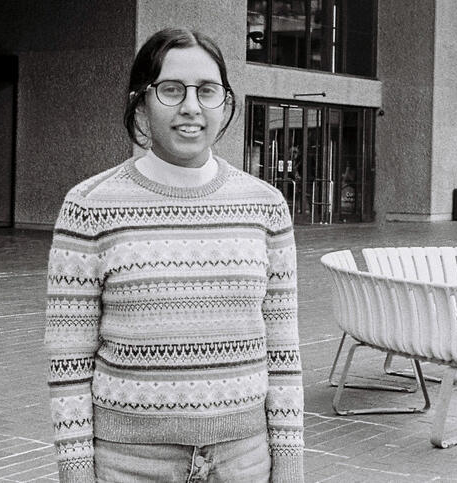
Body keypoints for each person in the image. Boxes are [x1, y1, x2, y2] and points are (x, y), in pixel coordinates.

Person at [45, 27, 304, 483]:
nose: (191, 106)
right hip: (128, 465)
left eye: (207, 91)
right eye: (170, 90)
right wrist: (75, 472)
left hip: (243, 461)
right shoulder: (88, 206)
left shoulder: (266, 207)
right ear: (140, 103)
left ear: (224, 104)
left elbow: (283, 353)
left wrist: (289, 465)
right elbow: (69, 362)